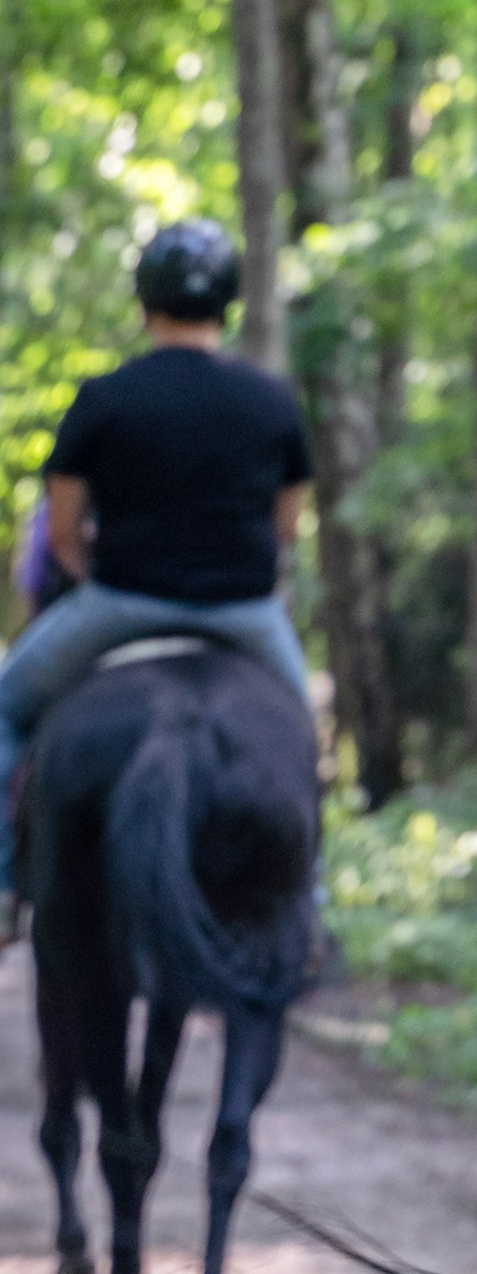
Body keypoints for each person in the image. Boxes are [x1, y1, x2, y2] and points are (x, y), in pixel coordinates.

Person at [0, 217, 316, 919]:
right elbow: (285, 527)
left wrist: (93, 574)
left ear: (145, 303)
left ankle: (1, 888)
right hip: (245, 615)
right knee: (301, 736)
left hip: (120, 606)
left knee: (4, 708)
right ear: (226, 304)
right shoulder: (272, 402)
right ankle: (310, 905)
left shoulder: (104, 400)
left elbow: (61, 533)